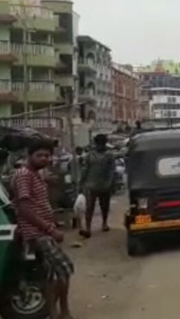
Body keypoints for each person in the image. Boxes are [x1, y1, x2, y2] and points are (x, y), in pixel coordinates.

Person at [13, 140, 74, 319]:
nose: (44, 159)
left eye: (47, 155)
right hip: (38, 233)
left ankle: (55, 313)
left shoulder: (36, 174)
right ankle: (62, 311)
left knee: (51, 274)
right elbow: (24, 208)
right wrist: (50, 229)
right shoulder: (24, 175)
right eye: (39, 155)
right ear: (29, 156)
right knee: (64, 269)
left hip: (42, 231)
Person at [79, 134, 116, 238]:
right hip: (91, 186)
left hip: (105, 185)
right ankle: (88, 228)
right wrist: (81, 183)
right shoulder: (90, 155)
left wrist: (110, 183)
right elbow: (84, 170)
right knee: (89, 207)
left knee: (104, 206)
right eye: (98, 144)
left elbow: (112, 170)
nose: (100, 146)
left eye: (102, 144)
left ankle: (104, 223)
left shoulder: (109, 155)